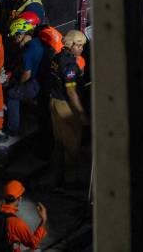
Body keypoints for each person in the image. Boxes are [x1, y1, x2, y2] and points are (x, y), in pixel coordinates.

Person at [47, 30, 88, 189]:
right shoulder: (70, 64)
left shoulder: (57, 57)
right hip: (65, 105)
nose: (81, 49)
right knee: (72, 145)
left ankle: (58, 178)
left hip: (54, 101)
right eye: (78, 46)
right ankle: (70, 182)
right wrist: (81, 113)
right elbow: (71, 91)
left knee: (59, 142)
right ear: (70, 45)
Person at [0, 180, 47, 251]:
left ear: (5, 196)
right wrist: (43, 220)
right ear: (20, 199)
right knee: (37, 250)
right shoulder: (16, 223)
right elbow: (33, 243)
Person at [4, 17, 46, 136]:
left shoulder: (27, 52)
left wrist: (17, 84)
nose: (15, 40)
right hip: (42, 80)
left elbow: (26, 75)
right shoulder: (37, 41)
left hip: (33, 84)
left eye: (14, 37)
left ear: (19, 35)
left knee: (12, 95)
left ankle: (13, 129)